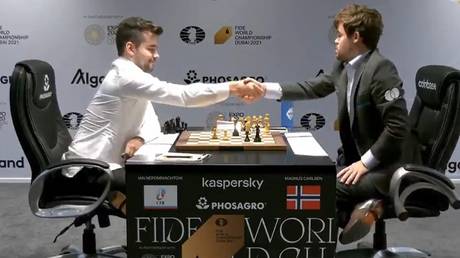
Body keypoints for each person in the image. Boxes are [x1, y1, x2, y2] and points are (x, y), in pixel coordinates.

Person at [246, 4, 421, 243]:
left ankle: (356, 218)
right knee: (315, 181)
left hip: (387, 167)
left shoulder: (381, 70)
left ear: (356, 37)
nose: (336, 41)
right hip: (358, 161)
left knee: (320, 187)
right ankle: (363, 212)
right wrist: (264, 89)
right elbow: (313, 88)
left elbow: (397, 128)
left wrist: (364, 163)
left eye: (339, 35)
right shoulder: (344, 68)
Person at [61, 17, 263, 214]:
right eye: (151, 48)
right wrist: (233, 88)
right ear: (131, 48)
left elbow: (152, 123)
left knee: (167, 182)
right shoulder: (125, 78)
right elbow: (183, 96)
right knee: (165, 183)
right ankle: (154, 243)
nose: (156, 55)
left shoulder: (133, 78)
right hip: (85, 172)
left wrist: (139, 138)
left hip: (104, 169)